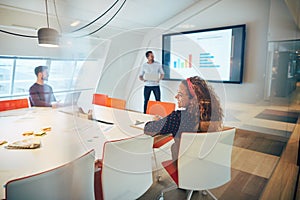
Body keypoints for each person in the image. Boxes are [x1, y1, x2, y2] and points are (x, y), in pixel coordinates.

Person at [144, 76, 223, 162]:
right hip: (206, 165)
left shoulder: (178, 118)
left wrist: (157, 121)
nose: (176, 96)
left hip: (183, 169)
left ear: (193, 99)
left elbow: (148, 129)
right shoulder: (212, 116)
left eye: (180, 94)